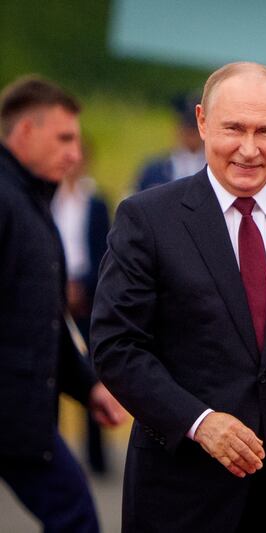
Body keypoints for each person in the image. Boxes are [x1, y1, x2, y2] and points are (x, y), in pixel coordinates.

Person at [91, 62, 266, 533]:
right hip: (181, 492)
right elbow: (116, 345)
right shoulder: (148, 219)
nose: (249, 148)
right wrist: (200, 422)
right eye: (234, 129)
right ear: (202, 122)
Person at [0, 75, 126, 532]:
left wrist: (88, 385)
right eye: (64, 138)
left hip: (23, 418)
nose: (75, 154)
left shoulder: (29, 201)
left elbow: (42, 320)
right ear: (25, 132)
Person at [51, 141, 112, 474]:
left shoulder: (96, 202)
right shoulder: (48, 199)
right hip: (54, 292)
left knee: (92, 371)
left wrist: (83, 286)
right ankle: (50, 449)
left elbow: (104, 250)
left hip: (87, 296)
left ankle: (96, 456)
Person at [134, 92, 206, 191]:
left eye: (194, 128)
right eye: (186, 127)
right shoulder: (154, 171)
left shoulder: (215, 169)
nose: (191, 134)